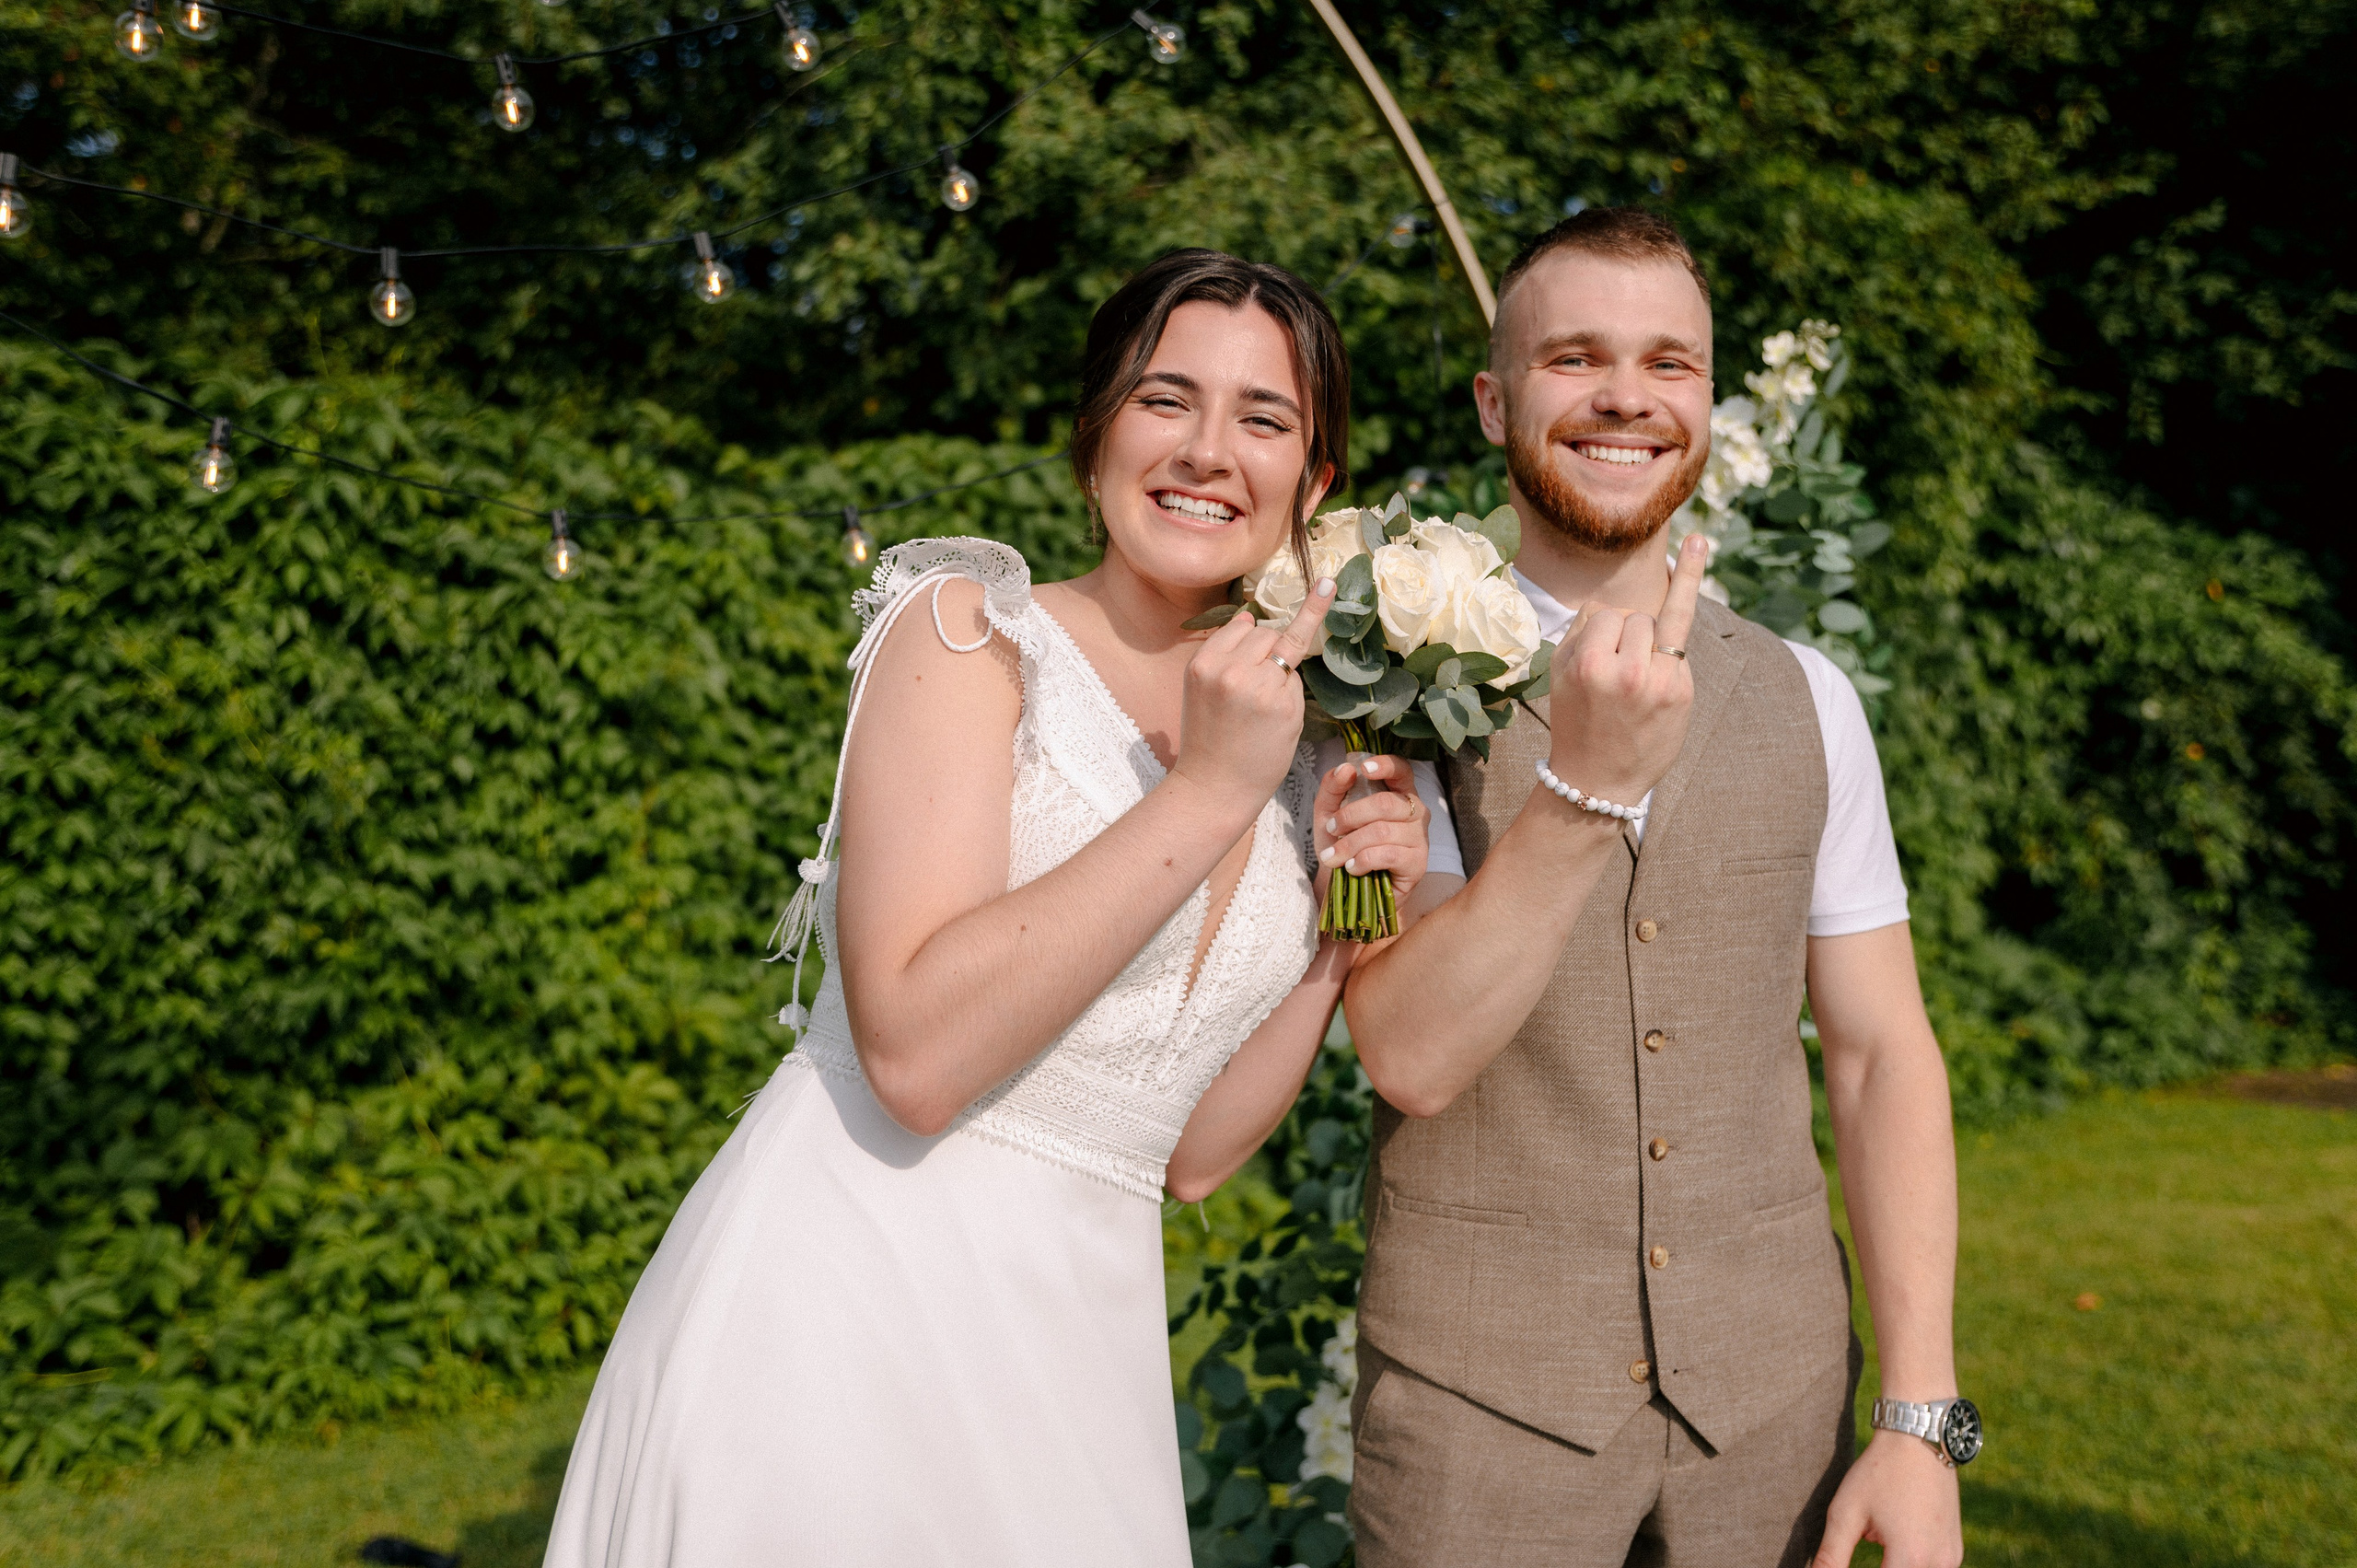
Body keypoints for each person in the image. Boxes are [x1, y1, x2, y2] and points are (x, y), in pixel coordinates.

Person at [540, 249, 1443, 1566]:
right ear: (1095, 442)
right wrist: (1203, 794)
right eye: (1164, 400)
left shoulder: (1298, 741)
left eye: (1264, 419)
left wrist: (1334, 953)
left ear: (1312, 487)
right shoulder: (970, 638)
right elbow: (911, 1053)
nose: (1206, 452)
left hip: (1079, 1359)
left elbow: (1187, 1156)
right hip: (843, 1316)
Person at [1341, 208, 1971, 1568]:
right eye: (1575, 357)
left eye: (1669, 364)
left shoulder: (1813, 699)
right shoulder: (1377, 695)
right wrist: (1585, 786)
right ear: (1495, 400)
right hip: (1477, 1423)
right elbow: (1405, 1051)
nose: (1627, 394)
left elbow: (1878, 1055)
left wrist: (1922, 1418)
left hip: (1776, 1417)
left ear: (1704, 397)